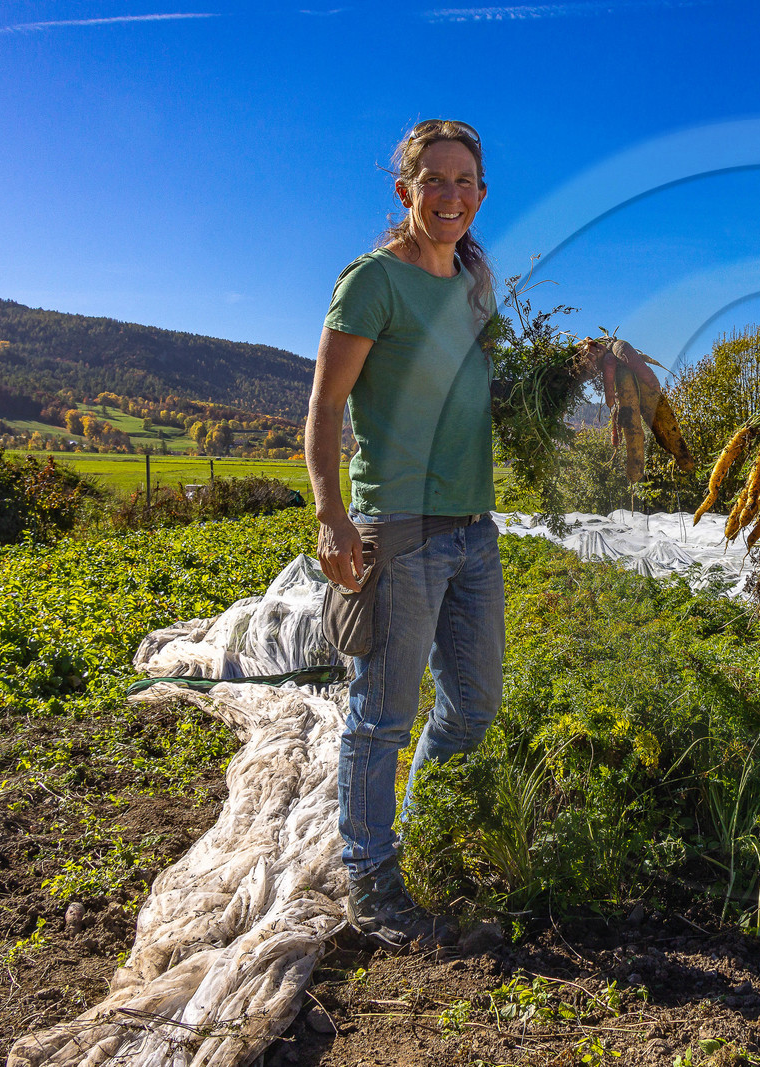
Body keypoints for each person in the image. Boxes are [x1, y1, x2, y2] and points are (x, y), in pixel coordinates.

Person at [304, 119, 504, 950]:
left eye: (466, 182)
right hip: (399, 528)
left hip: (473, 528)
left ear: (481, 194)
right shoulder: (372, 283)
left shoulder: (475, 279)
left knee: (475, 704)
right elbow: (323, 409)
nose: (451, 196)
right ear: (406, 191)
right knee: (381, 715)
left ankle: (418, 831)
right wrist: (331, 512)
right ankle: (370, 880)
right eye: (435, 181)